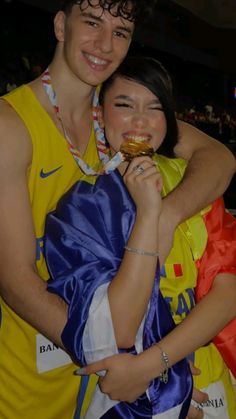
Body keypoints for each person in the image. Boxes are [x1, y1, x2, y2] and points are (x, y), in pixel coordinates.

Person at [0, 0, 235, 417]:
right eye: (92, 23)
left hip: (102, 384)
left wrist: (165, 215)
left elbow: (219, 158)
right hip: (31, 378)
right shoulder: (11, 126)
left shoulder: (115, 122)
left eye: (121, 32)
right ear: (60, 24)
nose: (105, 45)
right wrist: (125, 362)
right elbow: (17, 281)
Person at [45, 56, 236, 419]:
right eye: (124, 105)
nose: (140, 120)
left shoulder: (194, 180)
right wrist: (149, 215)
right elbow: (115, 326)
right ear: (100, 115)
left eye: (155, 107)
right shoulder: (84, 205)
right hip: (132, 399)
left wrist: (156, 365)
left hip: (208, 382)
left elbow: (228, 293)